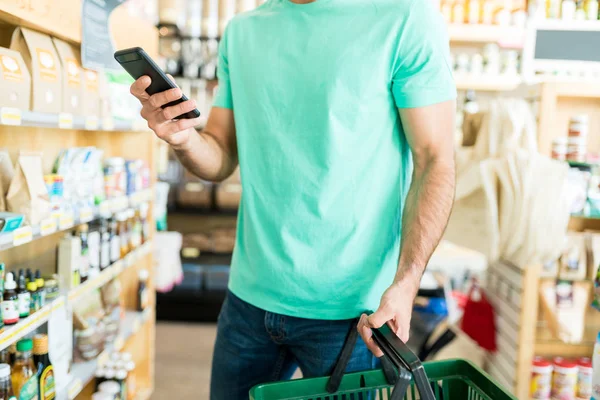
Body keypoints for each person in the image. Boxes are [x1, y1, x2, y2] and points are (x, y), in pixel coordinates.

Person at [129, 0, 456, 397]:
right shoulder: (243, 32)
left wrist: (407, 283)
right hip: (249, 299)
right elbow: (220, 155)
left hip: (354, 312)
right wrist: (184, 139)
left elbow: (434, 160)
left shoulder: (405, 19)